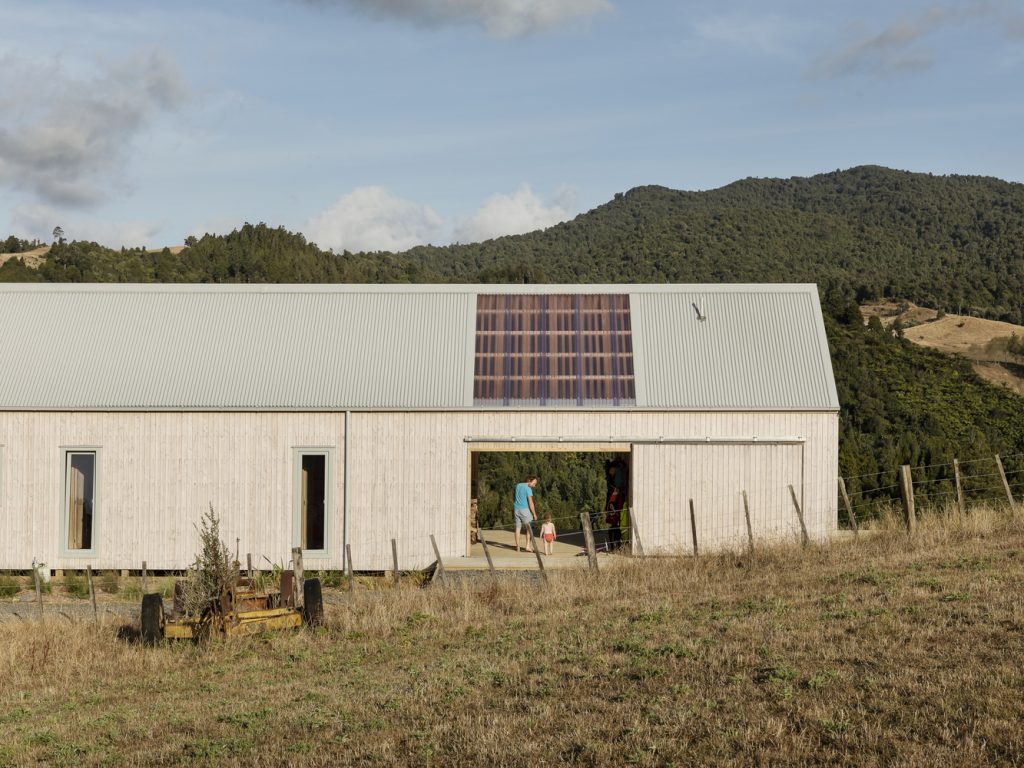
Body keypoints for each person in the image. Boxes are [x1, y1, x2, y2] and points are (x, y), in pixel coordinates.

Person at [605, 459, 628, 550]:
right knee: (615, 523)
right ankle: (615, 545)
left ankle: (614, 545)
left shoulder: (616, 473)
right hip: (615, 495)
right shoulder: (618, 472)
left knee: (614, 524)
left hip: (615, 495)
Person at [513, 475, 538, 552]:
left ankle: (518, 547)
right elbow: (531, 503)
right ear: (529, 481)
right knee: (529, 527)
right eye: (534, 483)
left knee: (518, 528)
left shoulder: (518, 485)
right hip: (524, 509)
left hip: (516, 509)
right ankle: (527, 546)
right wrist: (534, 514)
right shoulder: (528, 489)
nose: (534, 486)